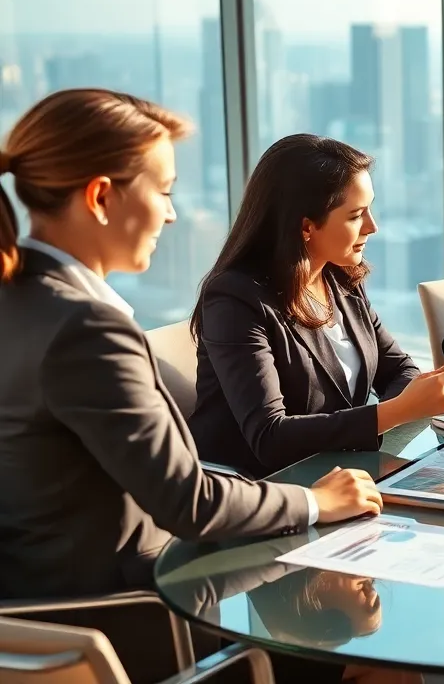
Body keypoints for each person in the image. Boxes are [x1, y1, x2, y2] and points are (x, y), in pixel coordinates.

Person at [0, 89, 380, 682]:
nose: (173, 214)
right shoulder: (86, 328)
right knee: (355, 648)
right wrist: (316, 501)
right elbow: (189, 503)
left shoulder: (23, 298)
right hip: (122, 615)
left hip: (36, 608)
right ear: (101, 197)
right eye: (165, 191)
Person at [189, 134, 444, 479]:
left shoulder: (340, 278)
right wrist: (396, 411)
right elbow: (269, 437)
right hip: (261, 492)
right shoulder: (235, 298)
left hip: (337, 474)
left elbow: (399, 370)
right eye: (356, 215)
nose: (372, 226)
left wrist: (408, 403)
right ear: (306, 226)